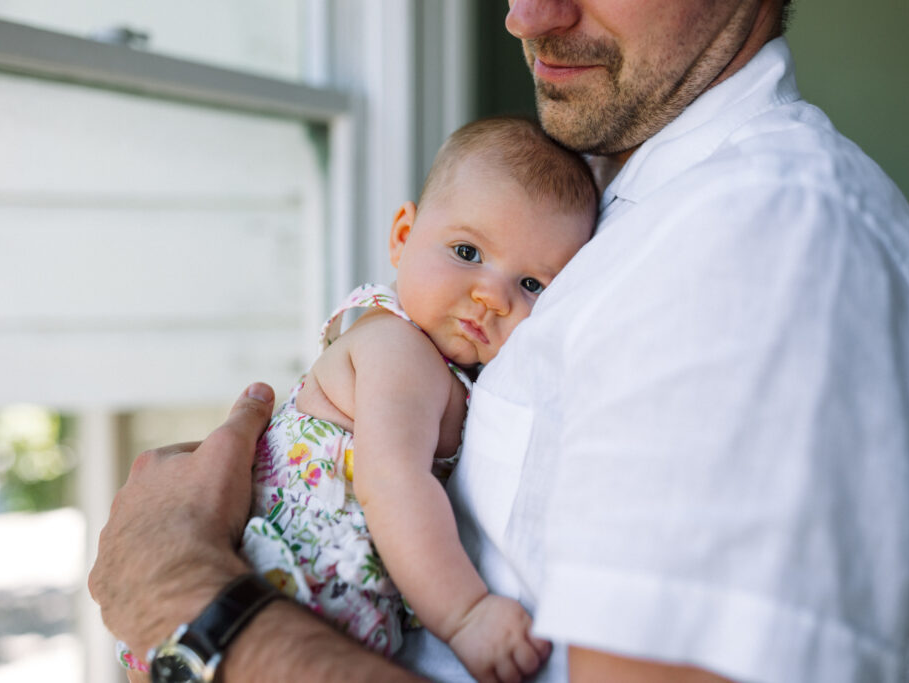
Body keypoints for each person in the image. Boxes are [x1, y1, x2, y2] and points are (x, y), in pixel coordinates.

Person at [90, 1, 909, 682]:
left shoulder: (764, 236)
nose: (526, 15)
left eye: (526, 284)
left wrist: (193, 602)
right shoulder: (602, 208)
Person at [114, 116, 597, 681]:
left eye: (532, 285)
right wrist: (466, 614)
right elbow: (393, 482)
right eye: (467, 251)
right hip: (289, 585)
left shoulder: (437, 362)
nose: (491, 295)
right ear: (401, 237)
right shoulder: (399, 350)